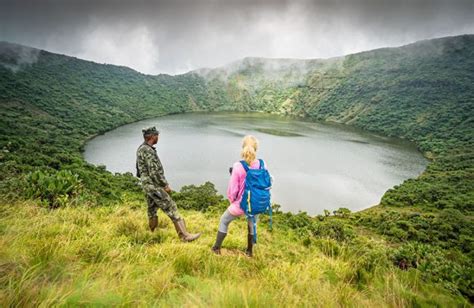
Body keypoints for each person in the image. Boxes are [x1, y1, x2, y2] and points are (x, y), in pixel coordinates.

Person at [136, 126, 200, 242]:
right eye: (156, 135)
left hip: (147, 186)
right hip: (154, 186)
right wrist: (165, 185)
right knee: (171, 207)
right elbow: (154, 172)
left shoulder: (141, 149)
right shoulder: (148, 151)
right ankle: (184, 236)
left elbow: (140, 170)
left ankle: (152, 233)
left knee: (152, 210)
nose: (158, 137)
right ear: (152, 137)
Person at [211, 135, 269, 257]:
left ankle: (216, 248)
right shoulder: (263, 164)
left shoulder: (238, 166)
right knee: (252, 225)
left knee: (224, 221)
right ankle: (249, 252)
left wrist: (232, 202)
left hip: (240, 204)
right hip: (256, 202)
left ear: (243, 148)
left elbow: (233, 190)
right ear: (256, 148)